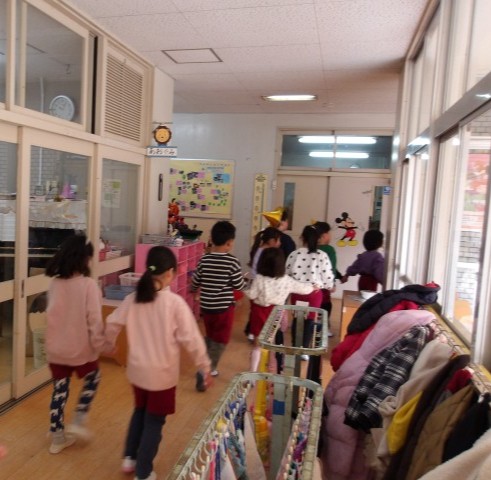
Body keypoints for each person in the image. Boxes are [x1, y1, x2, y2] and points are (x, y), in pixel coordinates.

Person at [104, 246, 211, 480]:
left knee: (140, 411)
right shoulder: (174, 303)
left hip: (138, 373)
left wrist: (109, 345)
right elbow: (192, 338)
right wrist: (204, 365)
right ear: (170, 272)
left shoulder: (133, 298)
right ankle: (143, 472)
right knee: (154, 421)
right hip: (161, 376)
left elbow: (112, 322)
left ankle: (129, 459)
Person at [44, 234, 105, 454]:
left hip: (56, 349)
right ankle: (78, 420)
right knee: (94, 378)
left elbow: (51, 315)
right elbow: (94, 320)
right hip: (80, 349)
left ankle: (57, 436)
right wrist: (99, 344)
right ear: (84, 259)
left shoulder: (55, 283)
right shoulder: (88, 285)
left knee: (59, 390)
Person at [191, 220, 246, 385]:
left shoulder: (204, 259)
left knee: (211, 336)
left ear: (212, 239)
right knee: (221, 340)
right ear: (229, 243)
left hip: (206, 307)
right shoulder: (232, 262)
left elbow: (196, 281)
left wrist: (193, 290)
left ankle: (205, 359)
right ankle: (207, 369)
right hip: (224, 308)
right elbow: (239, 285)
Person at [245, 247, 317, 372]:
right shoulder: (286, 280)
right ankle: (273, 367)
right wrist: (313, 287)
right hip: (276, 313)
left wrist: (244, 286)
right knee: (271, 341)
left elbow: (252, 294)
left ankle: (252, 372)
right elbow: (303, 288)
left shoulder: (259, 278)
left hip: (259, 312)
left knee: (257, 345)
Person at [286, 225, 334, 362]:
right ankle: (304, 349)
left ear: (302, 238)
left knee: (297, 318)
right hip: (314, 294)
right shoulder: (322, 255)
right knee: (310, 320)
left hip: (297, 292)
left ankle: (295, 346)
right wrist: (328, 286)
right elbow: (328, 276)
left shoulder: (294, 254)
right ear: (318, 239)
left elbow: (287, 273)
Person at [244, 227, 282, 342]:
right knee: (258, 312)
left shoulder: (260, 249)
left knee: (255, 311)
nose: (279, 243)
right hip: (259, 286)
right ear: (271, 241)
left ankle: (252, 332)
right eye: (278, 240)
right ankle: (253, 333)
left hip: (256, 284)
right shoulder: (266, 253)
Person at [314, 221, 342, 335]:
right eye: (329, 233)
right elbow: (331, 267)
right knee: (326, 305)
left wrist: (340, 276)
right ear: (324, 235)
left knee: (314, 304)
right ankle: (323, 329)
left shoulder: (311, 248)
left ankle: (313, 325)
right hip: (324, 285)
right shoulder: (329, 249)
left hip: (312, 284)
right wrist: (333, 283)